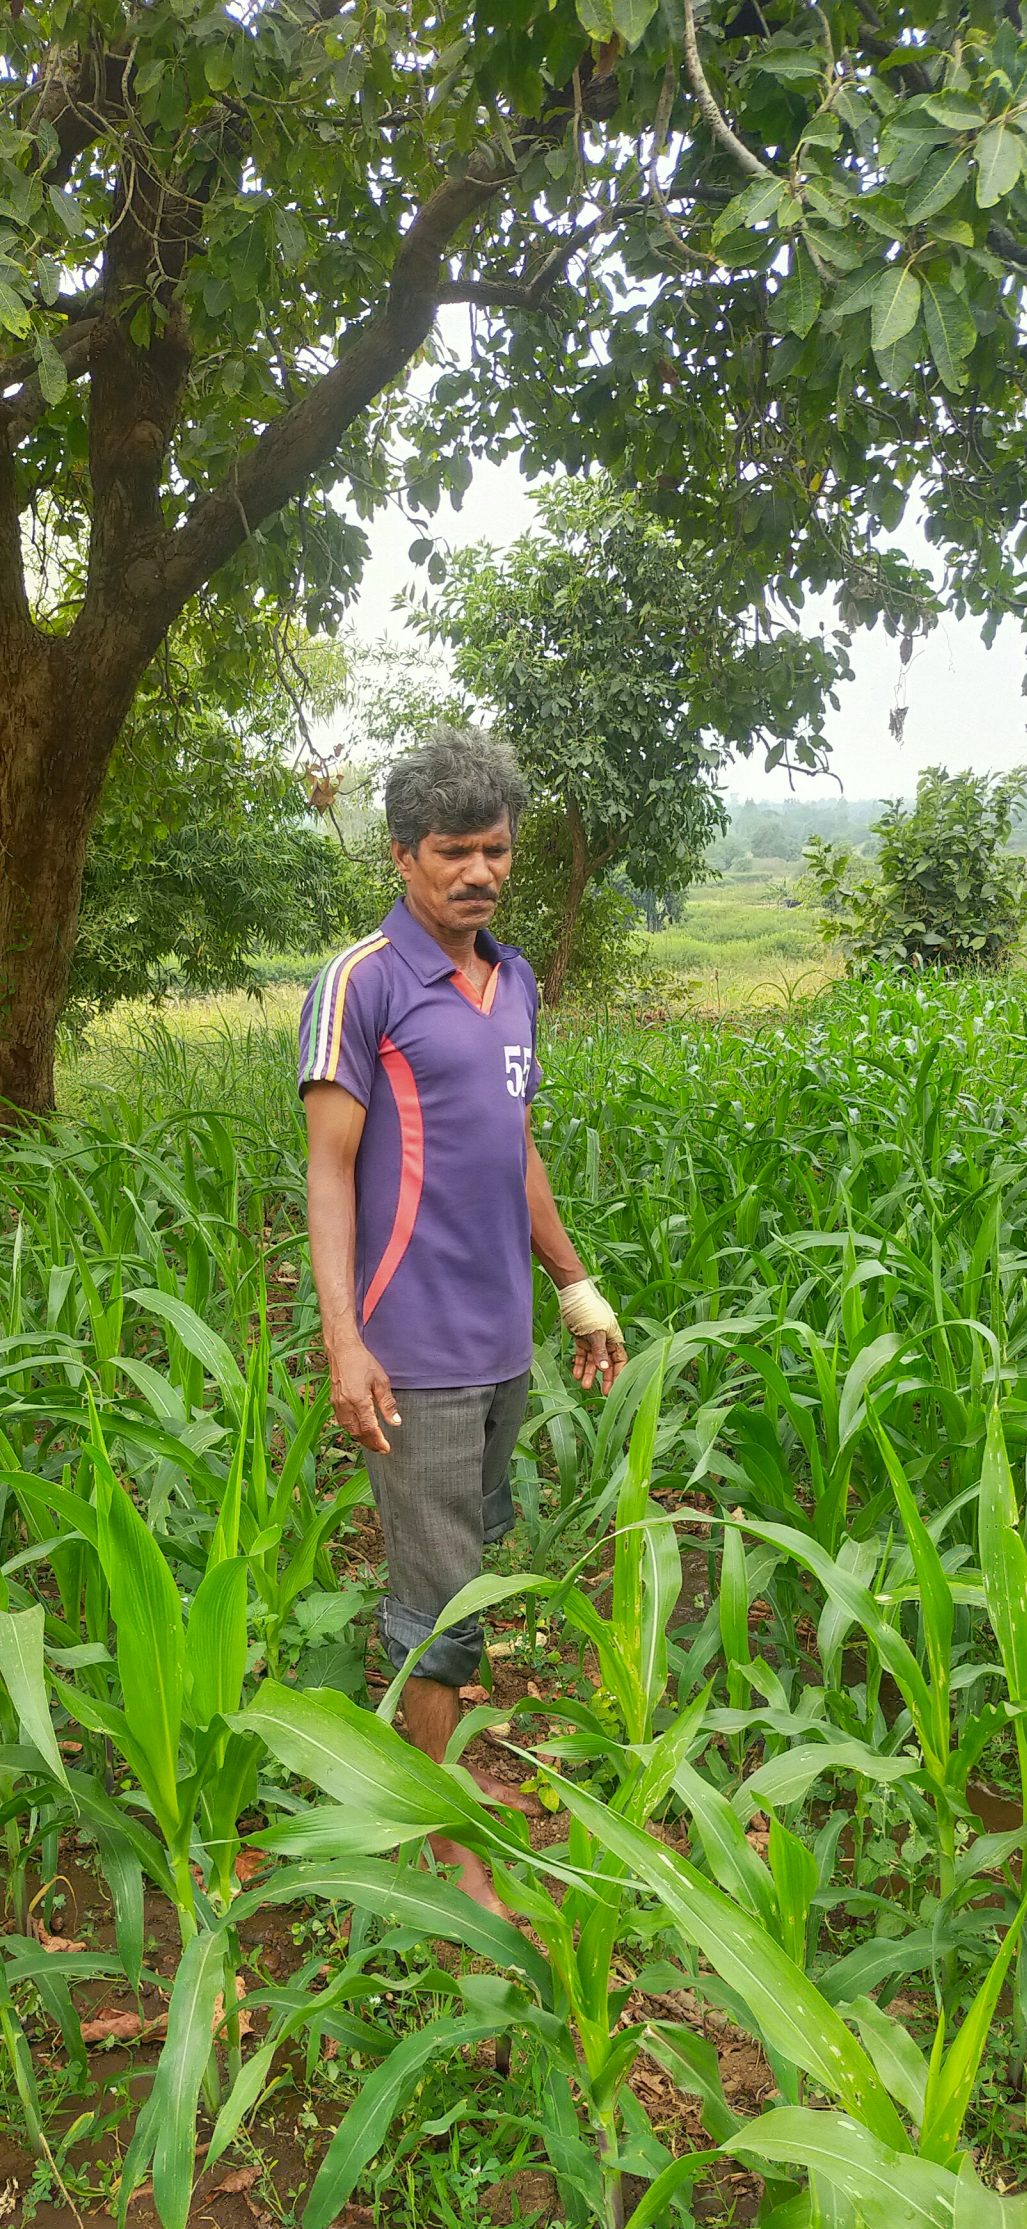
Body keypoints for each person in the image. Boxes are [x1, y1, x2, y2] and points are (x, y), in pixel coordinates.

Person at [299, 728, 626, 1910]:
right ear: (402, 857)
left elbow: (516, 1147)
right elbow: (328, 1171)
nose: (478, 872)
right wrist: (345, 1339)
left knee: (465, 1567)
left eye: (495, 850)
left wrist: (575, 1287)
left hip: (502, 1344)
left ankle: (419, 1769)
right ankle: (433, 1838)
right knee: (439, 1600)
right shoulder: (365, 982)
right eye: (453, 852)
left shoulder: (516, 977)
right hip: (413, 1348)